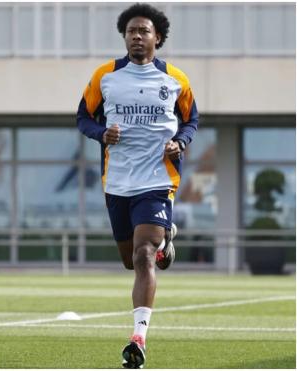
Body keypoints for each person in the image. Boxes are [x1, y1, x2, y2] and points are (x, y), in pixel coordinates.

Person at [76, 3, 198, 368]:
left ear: (157, 38)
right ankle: (165, 242)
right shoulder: (105, 76)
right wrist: (102, 133)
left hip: (158, 179)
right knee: (131, 261)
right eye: (131, 31)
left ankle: (138, 338)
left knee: (143, 253)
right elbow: (83, 116)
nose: (137, 37)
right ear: (124, 37)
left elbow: (192, 119)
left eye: (144, 31)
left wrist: (182, 141)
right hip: (117, 181)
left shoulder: (176, 79)